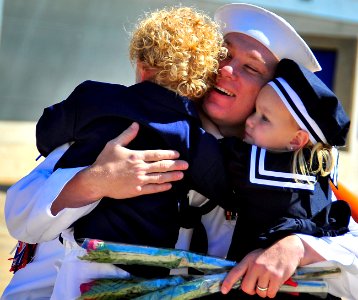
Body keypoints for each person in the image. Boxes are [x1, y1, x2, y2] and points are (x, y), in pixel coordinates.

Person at [3, 3, 358, 300]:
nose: (226, 70)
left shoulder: (286, 173)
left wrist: (298, 247)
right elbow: (20, 217)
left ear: (272, 94)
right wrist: (94, 182)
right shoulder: (128, 125)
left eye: (250, 68)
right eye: (222, 55)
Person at [220, 58, 351, 266]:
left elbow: (197, 149)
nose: (250, 120)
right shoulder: (318, 179)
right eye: (255, 110)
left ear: (296, 140)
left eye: (265, 118)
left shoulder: (257, 167)